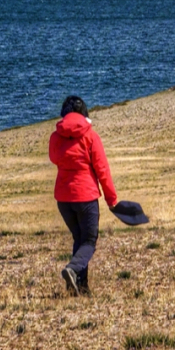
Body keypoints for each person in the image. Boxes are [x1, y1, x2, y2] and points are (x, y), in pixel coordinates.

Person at [48, 95, 119, 295]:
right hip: (86, 197)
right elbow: (102, 169)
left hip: (63, 198)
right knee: (89, 240)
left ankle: (80, 287)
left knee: (79, 239)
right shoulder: (91, 136)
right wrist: (112, 199)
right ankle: (72, 269)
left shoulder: (55, 136)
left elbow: (54, 158)